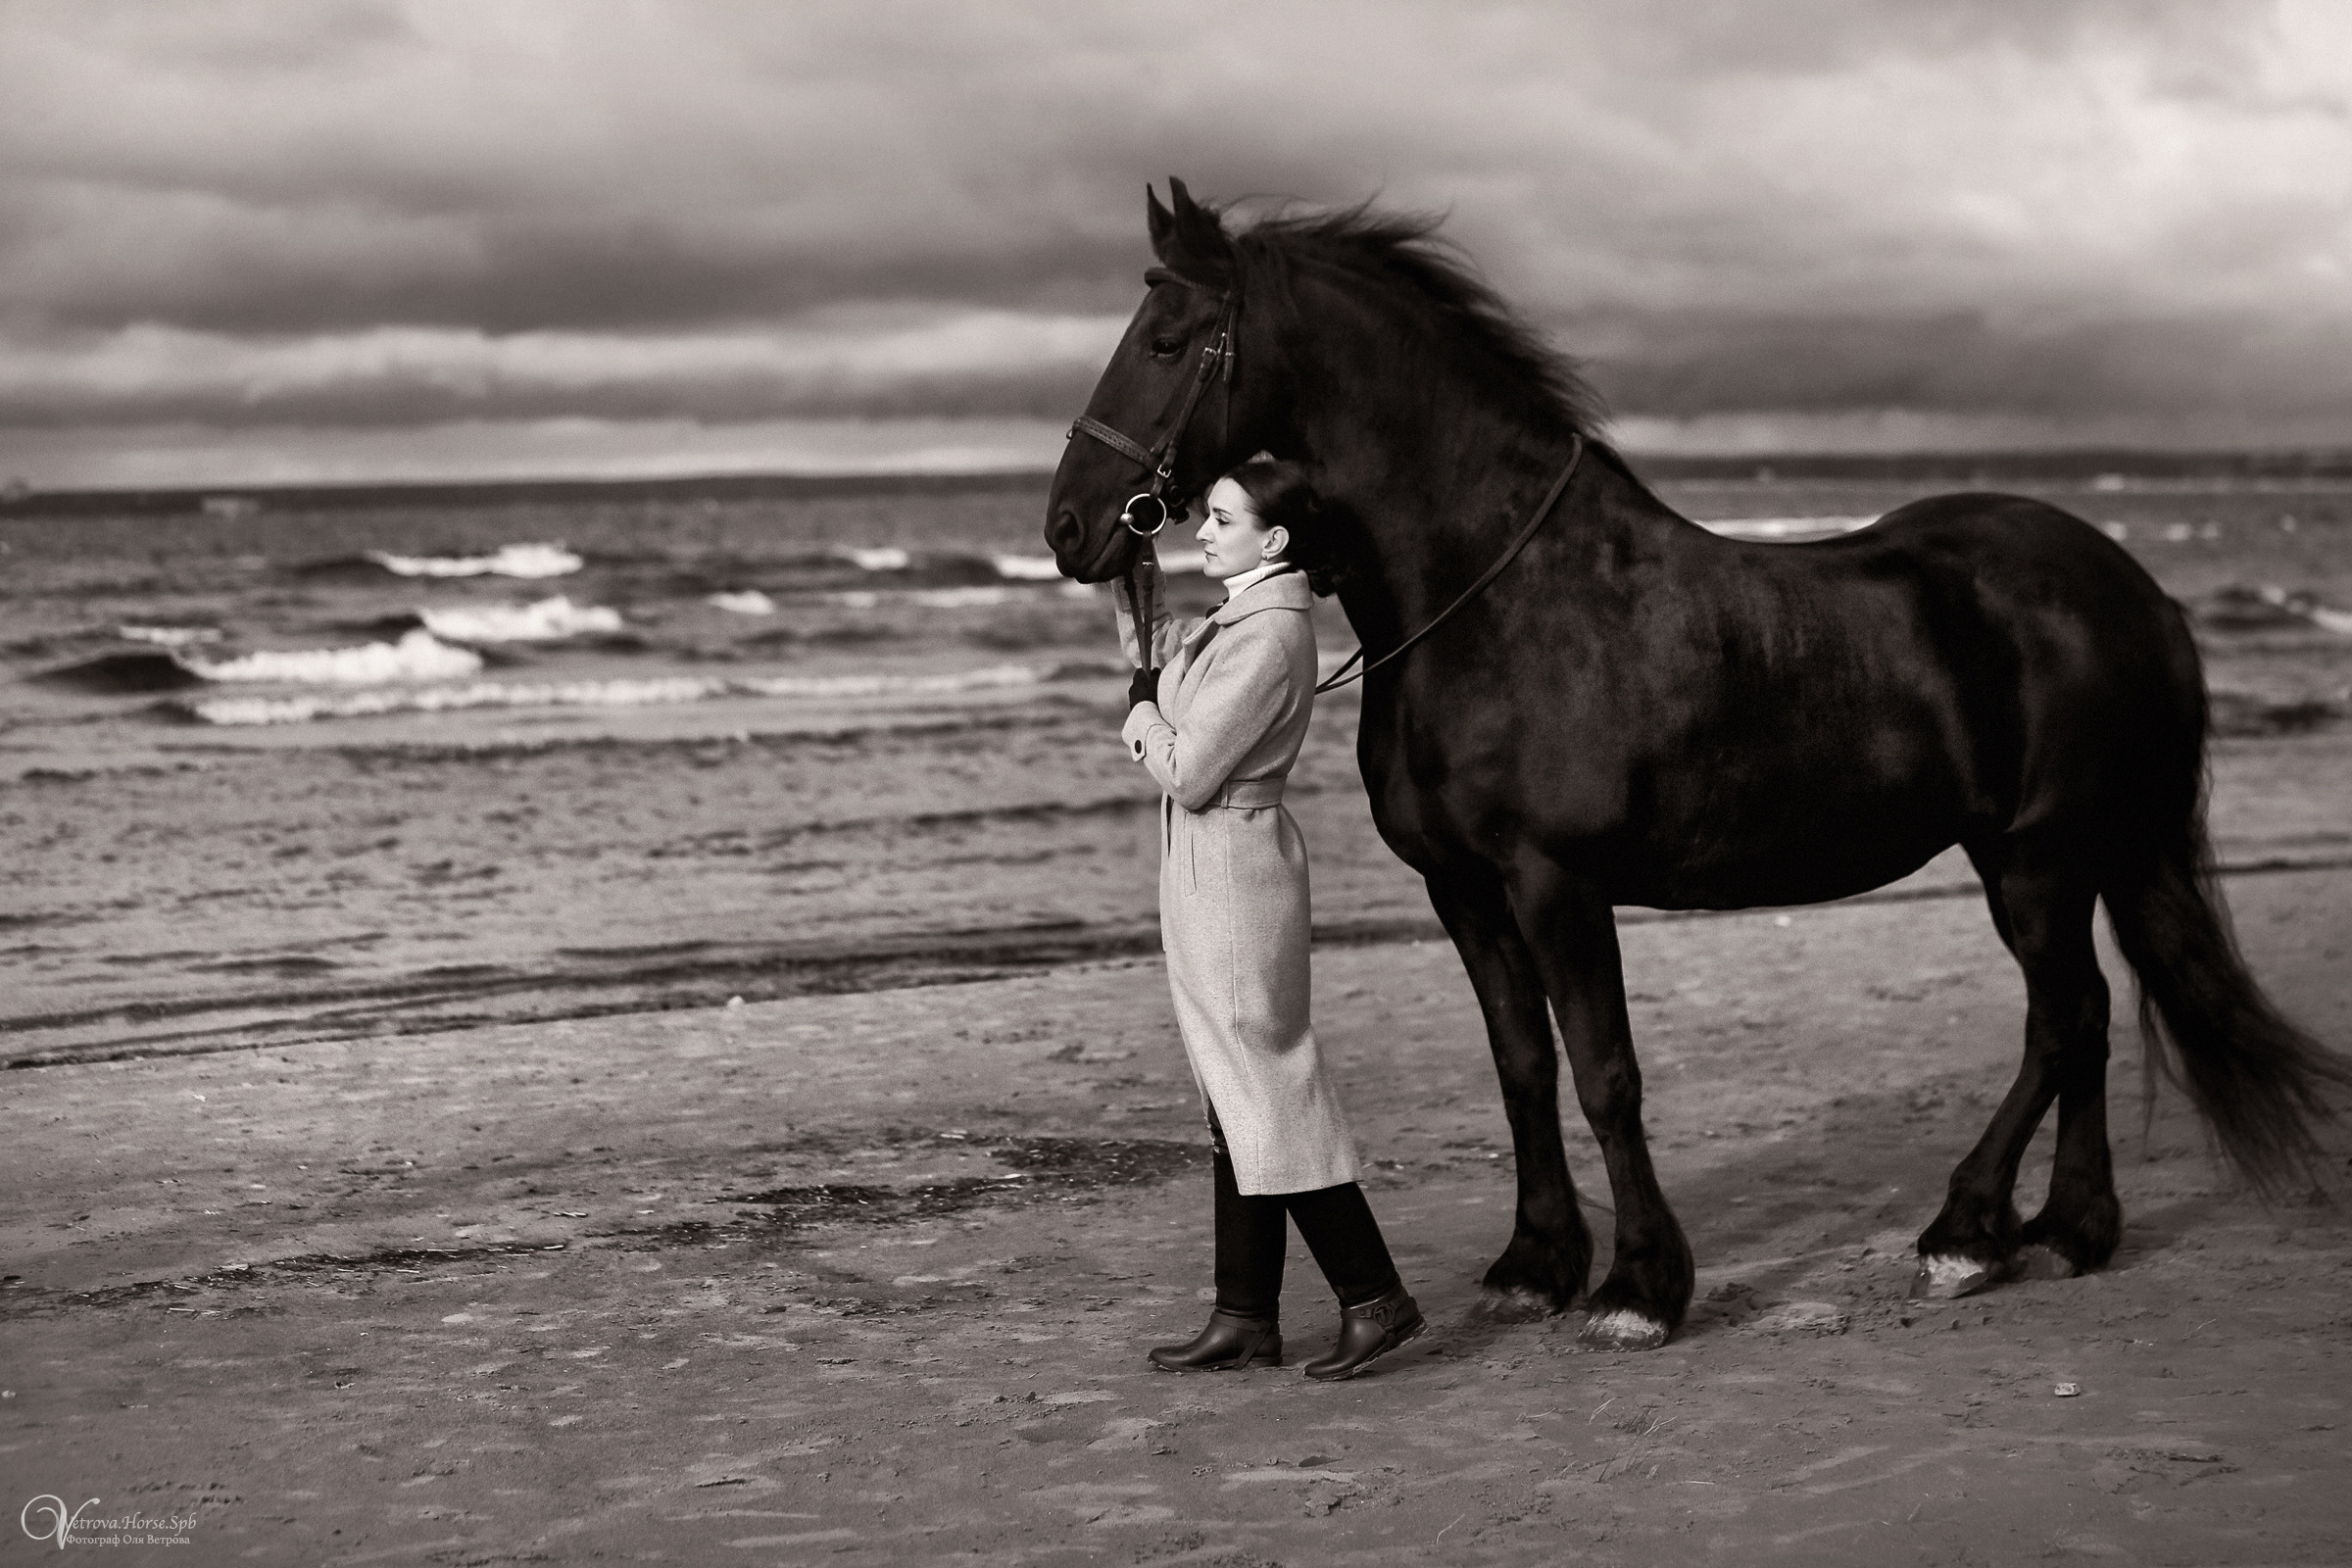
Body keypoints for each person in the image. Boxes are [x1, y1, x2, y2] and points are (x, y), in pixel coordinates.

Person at [1116, 457, 1423, 1381]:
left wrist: (1138, 716)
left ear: (1274, 538)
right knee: (1232, 1092)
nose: (1201, 533)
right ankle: (1244, 1312)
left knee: (1266, 1086)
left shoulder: (1268, 632)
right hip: (1215, 866)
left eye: (1219, 519)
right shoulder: (1241, 616)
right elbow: (1161, 660)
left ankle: (1375, 1298)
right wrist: (1127, 575)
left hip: (1236, 870)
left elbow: (1191, 768)